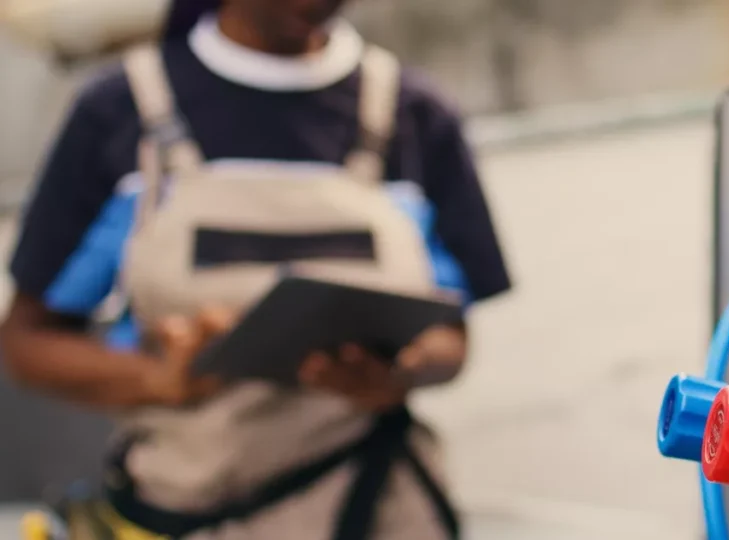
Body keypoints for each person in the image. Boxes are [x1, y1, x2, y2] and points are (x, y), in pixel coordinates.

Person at [0, 0, 511, 538]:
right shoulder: (119, 113)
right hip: (190, 508)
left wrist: (398, 372)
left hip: (375, 501)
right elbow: (28, 343)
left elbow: (450, 333)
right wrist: (160, 378)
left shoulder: (417, 115)